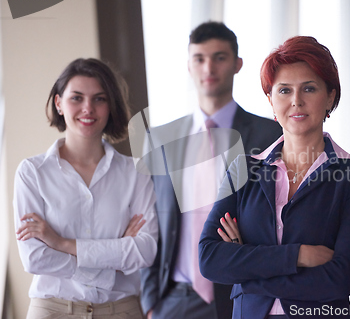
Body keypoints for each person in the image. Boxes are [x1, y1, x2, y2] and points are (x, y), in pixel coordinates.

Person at [198, 36, 350, 318]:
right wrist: (298, 256)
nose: (296, 101)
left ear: (330, 97)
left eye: (309, 88)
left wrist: (247, 269)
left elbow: (341, 280)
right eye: (284, 91)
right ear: (270, 100)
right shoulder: (244, 169)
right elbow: (210, 259)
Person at [140, 21, 282, 319]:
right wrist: (150, 301)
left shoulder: (270, 134)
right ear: (189, 66)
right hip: (174, 299)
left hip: (244, 292)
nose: (209, 68)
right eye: (200, 59)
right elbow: (148, 220)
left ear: (237, 64)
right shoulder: (160, 139)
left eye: (219, 57)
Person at [14, 58, 158, 319]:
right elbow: (34, 258)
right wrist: (113, 258)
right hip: (53, 310)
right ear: (58, 103)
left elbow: (145, 251)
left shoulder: (135, 172)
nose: (88, 108)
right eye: (76, 98)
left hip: (121, 311)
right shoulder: (32, 173)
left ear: (110, 106)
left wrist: (61, 243)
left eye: (100, 99)